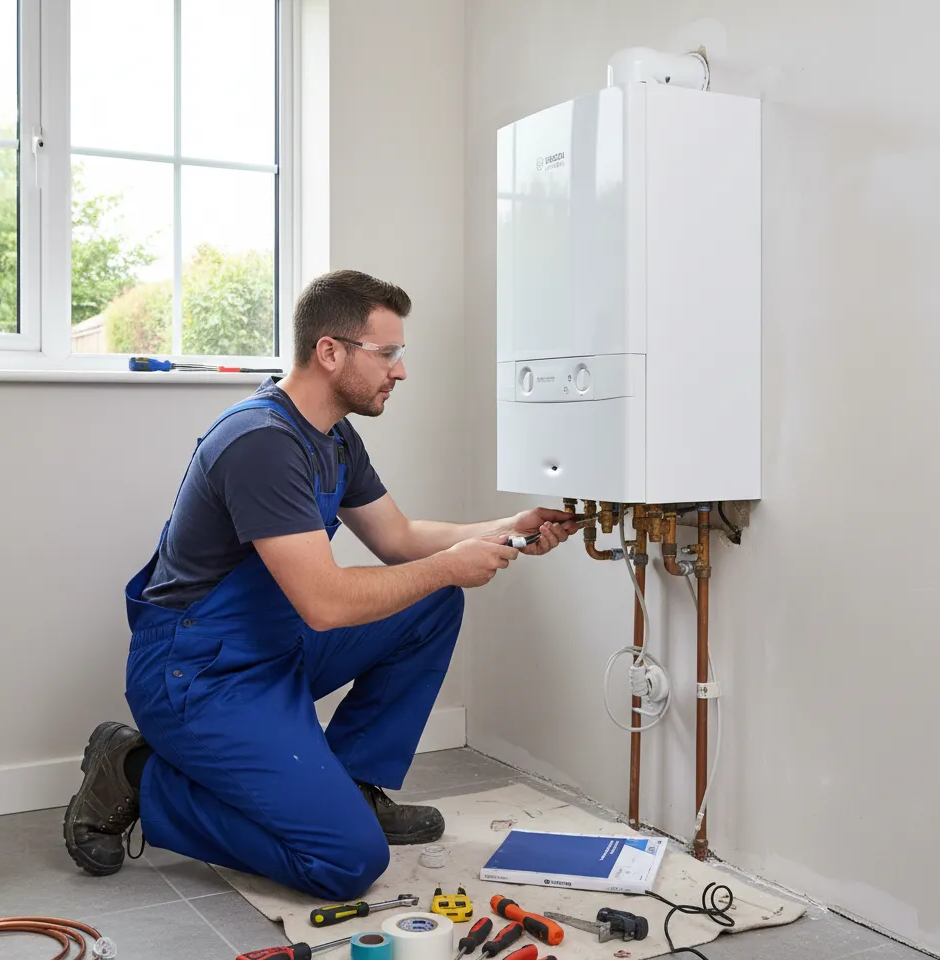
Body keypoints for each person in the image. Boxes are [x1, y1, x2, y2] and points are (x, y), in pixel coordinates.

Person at [63, 270, 579, 901]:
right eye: (388, 353)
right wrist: (451, 564)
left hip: (272, 646)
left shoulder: (333, 436)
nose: (401, 371)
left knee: (432, 603)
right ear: (330, 351)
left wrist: (510, 526)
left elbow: (398, 537)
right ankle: (138, 775)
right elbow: (326, 602)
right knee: (345, 862)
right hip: (198, 675)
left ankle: (355, 783)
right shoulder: (260, 444)